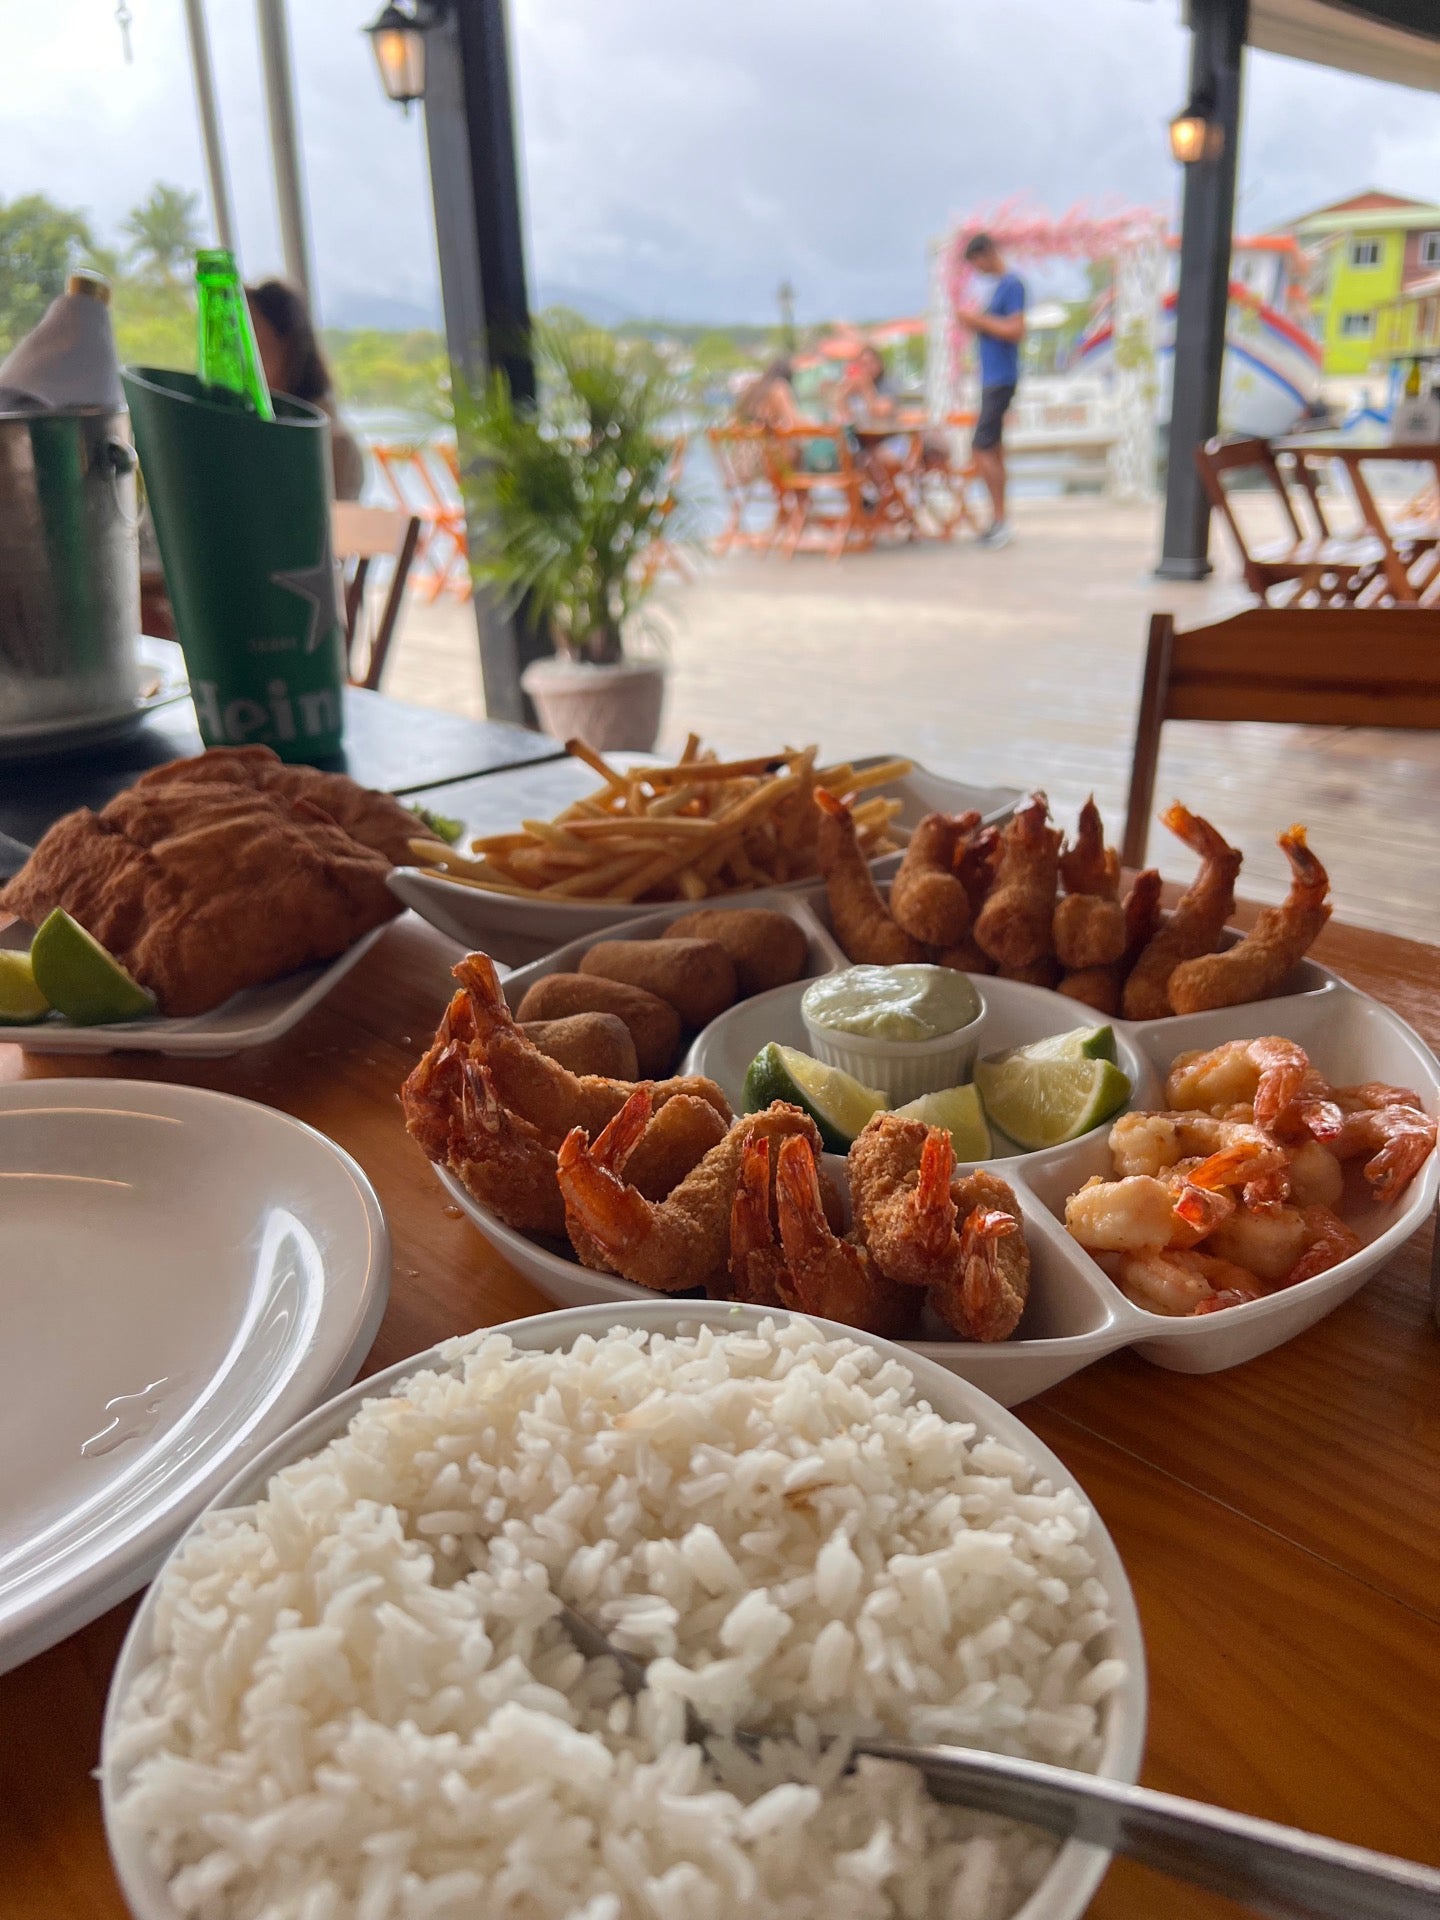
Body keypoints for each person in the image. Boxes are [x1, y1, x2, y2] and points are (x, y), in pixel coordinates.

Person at [244, 278, 366, 501]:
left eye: (252, 342)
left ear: (288, 345)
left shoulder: (331, 445)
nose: (242, 359)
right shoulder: (251, 429)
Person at [955, 233, 1026, 549]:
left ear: (986, 255)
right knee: (993, 448)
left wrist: (978, 321)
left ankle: (1000, 521)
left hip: (1001, 378)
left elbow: (1015, 329)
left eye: (976, 263)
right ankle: (999, 521)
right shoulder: (997, 288)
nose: (977, 271)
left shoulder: (1012, 285)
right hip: (991, 378)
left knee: (981, 447)